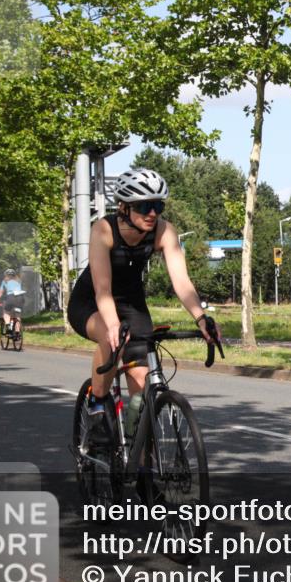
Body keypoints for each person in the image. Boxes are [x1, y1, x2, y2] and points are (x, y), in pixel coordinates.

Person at [67, 168, 220, 445]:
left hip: (131, 304)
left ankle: (139, 459)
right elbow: (103, 290)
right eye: (144, 206)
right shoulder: (104, 229)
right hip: (91, 302)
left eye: (158, 206)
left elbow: (182, 281)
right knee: (111, 338)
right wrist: (113, 325)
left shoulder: (164, 231)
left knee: (141, 386)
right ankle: (97, 406)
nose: (153, 213)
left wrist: (201, 318)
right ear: (124, 208)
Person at [0, 269, 23, 333]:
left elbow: (0, 293)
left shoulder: (4, 281)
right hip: (20, 297)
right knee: (17, 315)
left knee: (6, 313)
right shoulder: (19, 280)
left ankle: (9, 328)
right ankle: (17, 332)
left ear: (6, 275)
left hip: (11, 297)